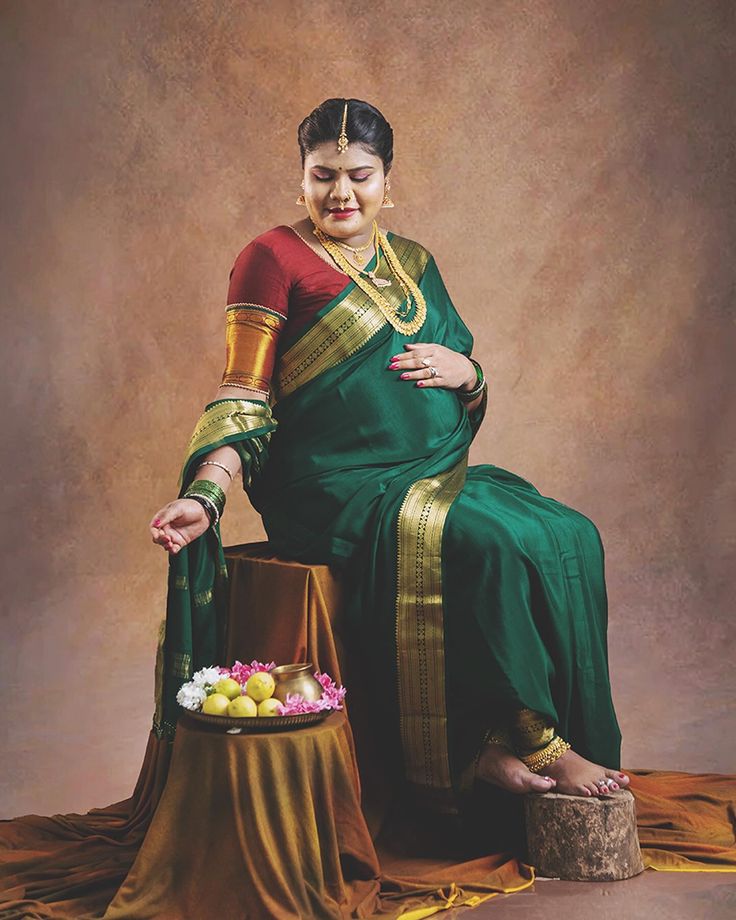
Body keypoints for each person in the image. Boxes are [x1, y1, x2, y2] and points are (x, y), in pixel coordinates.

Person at [149, 97, 629, 814]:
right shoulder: (269, 258)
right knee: (492, 545)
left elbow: (464, 370)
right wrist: (207, 493)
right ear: (301, 180)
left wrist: (469, 376)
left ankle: (488, 741)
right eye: (323, 175)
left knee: (565, 533)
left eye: (360, 176)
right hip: (330, 488)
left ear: (388, 181)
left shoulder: (413, 261)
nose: (341, 192)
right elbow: (243, 392)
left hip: (429, 472)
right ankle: (533, 741)